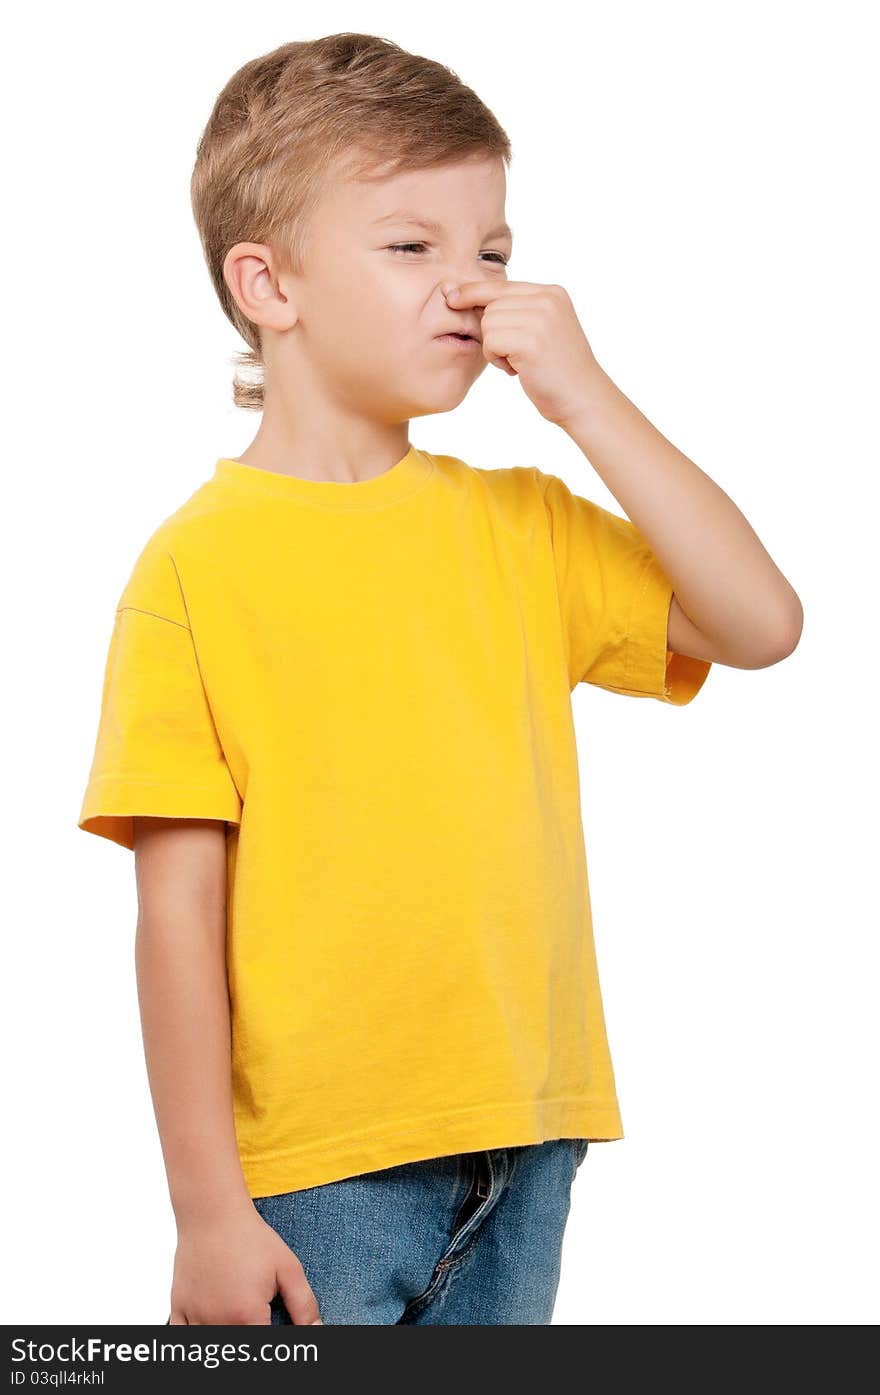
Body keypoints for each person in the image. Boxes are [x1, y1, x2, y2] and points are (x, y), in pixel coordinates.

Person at [78, 33, 802, 1327]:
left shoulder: (520, 525)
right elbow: (176, 914)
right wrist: (204, 1213)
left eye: (495, 251)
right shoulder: (191, 571)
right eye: (413, 248)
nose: (469, 288)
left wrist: (587, 399)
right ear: (269, 285)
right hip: (315, 1176)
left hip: (528, 1141)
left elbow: (760, 621)